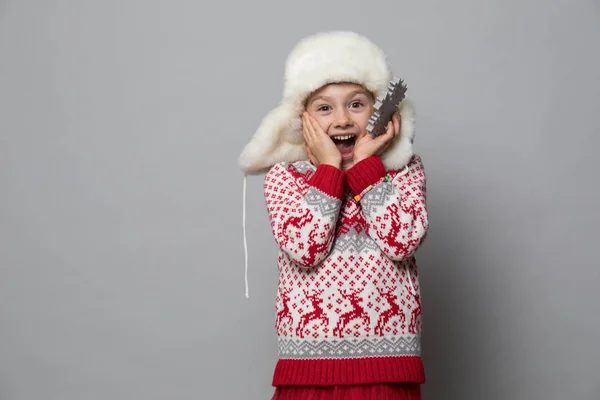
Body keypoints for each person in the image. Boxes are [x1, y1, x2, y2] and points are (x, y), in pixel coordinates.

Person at [239, 31, 429, 400]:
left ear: (379, 112)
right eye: (325, 108)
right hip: (309, 371)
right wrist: (328, 169)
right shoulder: (286, 177)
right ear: (303, 119)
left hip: (388, 368)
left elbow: (403, 241)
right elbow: (305, 249)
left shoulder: (404, 172)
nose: (341, 119)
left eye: (356, 104)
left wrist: (365, 167)